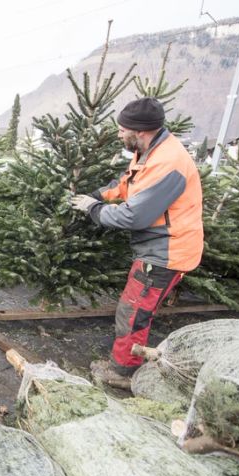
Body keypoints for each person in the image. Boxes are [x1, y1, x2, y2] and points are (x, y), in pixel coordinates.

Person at [70, 97, 204, 389]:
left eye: (122, 130)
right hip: (160, 246)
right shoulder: (150, 150)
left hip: (166, 251)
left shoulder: (169, 162)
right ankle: (123, 363)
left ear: (140, 131)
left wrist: (92, 210)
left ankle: (123, 373)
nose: (118, 134)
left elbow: (134, 216)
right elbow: (129, 183)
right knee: (133, 309)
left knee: (133, 312)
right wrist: (98, 195)